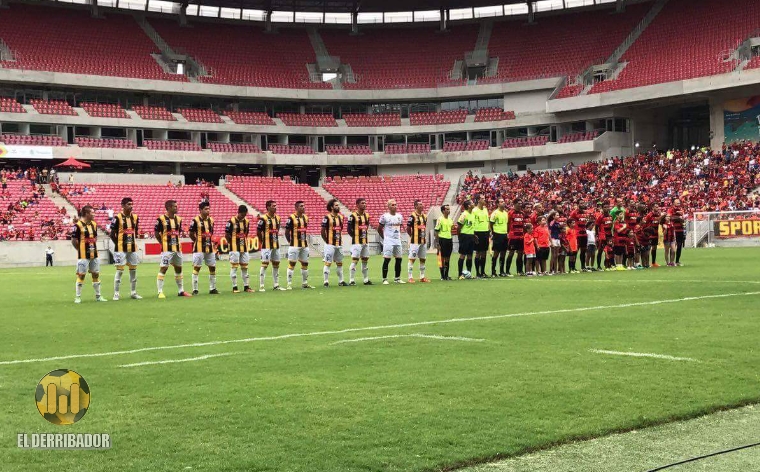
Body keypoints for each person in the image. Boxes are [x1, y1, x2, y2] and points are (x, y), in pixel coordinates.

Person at [155, 200, 191, 298]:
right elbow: (156, 234)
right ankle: (160, 292)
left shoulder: (179, 219)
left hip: (178, 249)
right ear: (169, 208)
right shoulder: (161, 219)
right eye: (175, 206)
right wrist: (163, 243)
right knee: (164, 268)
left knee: (178, 268)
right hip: (167, 249)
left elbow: (177, 232)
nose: (177, 208)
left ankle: (181, 291)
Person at [72, 205, 107, 303]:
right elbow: (74, 240)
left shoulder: (94, 224)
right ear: (86, 214)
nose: (94, 214)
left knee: (96, 274)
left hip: (94, 254)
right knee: (81, 275)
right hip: (83, 255)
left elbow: (95, 237)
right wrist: (80, 250)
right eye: (92, 212)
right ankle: (78, 297)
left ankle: (98, 296)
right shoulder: (77, 225)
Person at [110, 197, 142, 300]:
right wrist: (119, 244)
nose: (131, 206)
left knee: (133, 271)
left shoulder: (135, 217)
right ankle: (116, 294)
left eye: (132, 204)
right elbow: (112, 234)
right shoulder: (117, 217)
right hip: (121, 249)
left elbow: (135, 232)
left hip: (132, 249)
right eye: (128, 204)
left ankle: (133, 292)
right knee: (119, 271)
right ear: (123, 206)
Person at [188, 201, 218, 295]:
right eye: (206, 209)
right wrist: (197, 241)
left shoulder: (211, 220)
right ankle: (195, 289)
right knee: (197, 268)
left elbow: (211, 233)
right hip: (199, 248)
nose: (208, 210)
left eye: (208, 208)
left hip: (209, 247)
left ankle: (212, 288)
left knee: (212, 267)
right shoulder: (195, 220)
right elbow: (191, 234)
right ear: (200, 210)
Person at [285, 201, 314, 290]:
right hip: (294, 245)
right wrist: (291, 242)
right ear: (296, 208)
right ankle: (289, 284)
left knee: (305, 264)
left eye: (304, 206)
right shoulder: (291, 218)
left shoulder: (306, 218)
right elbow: (286, 232)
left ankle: (304, 283)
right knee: (292, 264)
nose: (303, 207)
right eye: (301, 206)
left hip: (304, 245)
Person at [257, 200, 285, 291]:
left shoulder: (278, 218)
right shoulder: (263, 219)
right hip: (266, 245)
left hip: (275, 245)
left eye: (276, 205)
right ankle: (261, 286)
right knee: (264, 265)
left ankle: (276, 285)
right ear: (268, 207)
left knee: (276, 265)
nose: (275, 207)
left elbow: (277, 229)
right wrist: (262, 241)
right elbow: (258, 231)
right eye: (273, 206)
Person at [226, 205, 253, 293]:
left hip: (244, 247)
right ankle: (235, 287)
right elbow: (227, 234)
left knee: (245, 267)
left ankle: (246, 286)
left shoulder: (247, 222)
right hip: (234, 248)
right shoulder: (231, 221)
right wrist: (232, 243)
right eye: (242, 215)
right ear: (239, 212)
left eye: (245, 215)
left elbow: (246, 233)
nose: (244, 216)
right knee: (234, 267)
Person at [378, 199, 405, 284]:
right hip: (388, 241)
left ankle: (397, 278)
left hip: (397, 241)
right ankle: (384, 279)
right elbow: (379, 229)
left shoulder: (399, 216)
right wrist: (385, 238)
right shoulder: (384, 216)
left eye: (395, 204)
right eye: (392, 205)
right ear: (388, 206)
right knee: (387, 259)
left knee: (399, 259)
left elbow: (399, 227)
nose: (395, 206)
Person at [321, 199, 346, 287]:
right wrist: (327, 242)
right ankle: (326, 281)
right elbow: (322, 231)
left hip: (339, 244)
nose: (338, 207)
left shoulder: (341, 217)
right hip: (330, 244)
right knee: (328, 263)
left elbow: (340, 229)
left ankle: (341, 281)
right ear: (331, 207)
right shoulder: (327, 217)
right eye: (336, 205)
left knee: (339, 263)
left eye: (338, 205)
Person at [347, 198, 372, 286]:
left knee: (365, 260)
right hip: (357, 242)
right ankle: (351, 280)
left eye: (365, 203)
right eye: (362, 203)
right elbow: (349, 229)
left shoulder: (367, 215)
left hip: (365, 241)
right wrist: (355, 237)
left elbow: (367, 226)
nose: (364, 204)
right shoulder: (352, 216)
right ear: (357, 205)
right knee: (355, 261)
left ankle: (366, 280)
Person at [406, 199, 430, 283]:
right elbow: (408, 228)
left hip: (423, 241)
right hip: (415, 242)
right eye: (420, 204)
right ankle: (410, 277)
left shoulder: (425, 216)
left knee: (423, 259)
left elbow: (424, 227)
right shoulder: (412, 216)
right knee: (412, 259)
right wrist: (412, 236)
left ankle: (422, 277)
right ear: (415, 206)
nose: (422, 206)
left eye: (422, 204)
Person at [456, 199, 476, 279]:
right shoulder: (464, 214)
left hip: (471, 236)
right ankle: (460, 274)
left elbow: (471, 226)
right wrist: (460, 236)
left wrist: (474, 235)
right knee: (462, 255)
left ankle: (469, 273)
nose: (473, 203)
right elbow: (459, 227)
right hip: (464, 236)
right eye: (472, 203)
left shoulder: (473, 214)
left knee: (470, 255)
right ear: (468, 206)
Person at [505, 201, 526, 276]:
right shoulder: (510, 212)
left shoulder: (522, 213)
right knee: (511, 253)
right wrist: (507, 233)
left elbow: (523, 225)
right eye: (518, 203)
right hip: (513, 236)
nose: (520, 204)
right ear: (514, 204)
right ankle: (507, 271)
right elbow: (507, 223)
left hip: (521, 236)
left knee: (520, 254)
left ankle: (519, 271)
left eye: (521, 203)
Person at [489, 198, 508, 277]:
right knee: (496, 253)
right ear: (497, 204)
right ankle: (493, 271)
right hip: (497, 234)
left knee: (503, 253)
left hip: (504, 234)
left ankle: (502, 271)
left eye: (503, 201)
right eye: (501, 202)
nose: (503, 203)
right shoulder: (495, 213)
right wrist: (493, 233)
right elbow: (491, 224)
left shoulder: (505, 213)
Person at [472, 196, 490, 278]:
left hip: (485, 232)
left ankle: (482, 272)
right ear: (478, 200)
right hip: (477, 232)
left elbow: (487, 221)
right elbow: (472, 222)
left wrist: (489, 231)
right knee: (478, 253)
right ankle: (477, 273)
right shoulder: (474, 210)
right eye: (482, 198)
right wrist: (473, 234)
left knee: (484, 253)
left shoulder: (485, 209)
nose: (484, 199)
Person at [434, 204, 453, 280]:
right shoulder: (440, 219)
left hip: (449, 240)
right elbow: (436, 232)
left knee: (448, 258)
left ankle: (446, 275)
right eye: (447, 209)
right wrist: (437, 243)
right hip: (442, 240)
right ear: (443, 211)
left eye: (449, 209)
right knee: (441, 258)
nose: (449, 210)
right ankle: (442, 276)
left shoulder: (450, 220)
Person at [669, 199, 686, 266]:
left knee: (679, 246)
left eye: (679, 203)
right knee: (673, 246)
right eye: (677, 203)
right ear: (674, 203)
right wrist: (678, 218)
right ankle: (671, 261)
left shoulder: (681, 209)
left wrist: (682, 219)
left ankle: (677, 261)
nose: (679, 204)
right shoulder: (671, 209)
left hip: (680, 230)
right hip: (674, 230)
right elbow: (670, 218)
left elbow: (683, 219)